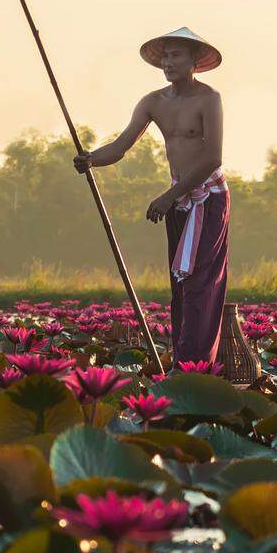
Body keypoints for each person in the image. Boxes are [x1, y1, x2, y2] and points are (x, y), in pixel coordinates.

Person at [73, 27, 227, 367]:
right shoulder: (153, 102)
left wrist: (169, 195)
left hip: (208, 198)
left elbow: (212, 157)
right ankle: (182, 362)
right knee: (180, 284)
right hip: (179, 200)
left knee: (201, 283)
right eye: (165, 56)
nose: (168, 63)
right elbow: (120, 146)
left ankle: (194, 365)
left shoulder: (209, 99)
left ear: (194, 62)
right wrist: (91, 159)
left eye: (176, 56)